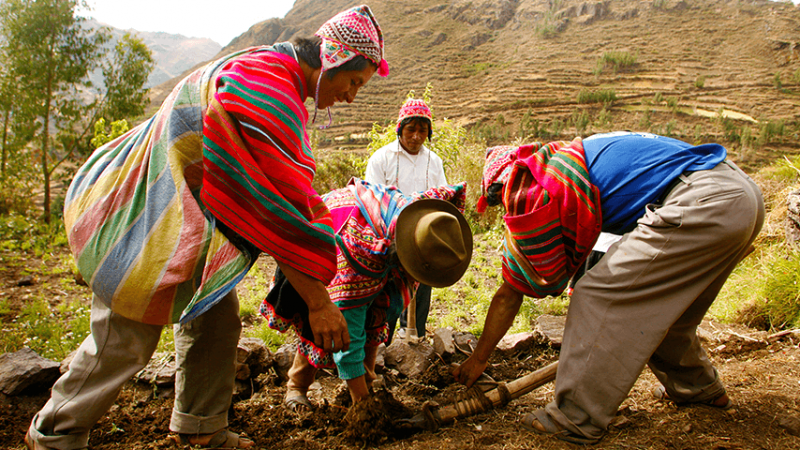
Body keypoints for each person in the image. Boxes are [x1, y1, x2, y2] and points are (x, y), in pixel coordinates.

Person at [25, 5, 388, 450]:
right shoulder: (268, 90)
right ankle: (54, 433)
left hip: (186, 227)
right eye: (354, 82)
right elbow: (280, 212)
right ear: (331, 59)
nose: (352, 95)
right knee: (125, 339)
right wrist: (318, 301)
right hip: (146, 226)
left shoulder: (271, 68)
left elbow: (286, 194)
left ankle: (202, 426)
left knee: (215, 322)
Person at [452, 131, 764, 445]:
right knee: (668, 314)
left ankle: (574, 418)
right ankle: (697, 388)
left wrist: (479, 358)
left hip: (702, 201)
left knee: (594, 296)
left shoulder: (537, 186)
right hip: (739, 195)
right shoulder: (575, 158)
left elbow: (512, 290)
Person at [262, 178, 471, 407]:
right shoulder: (359, 254)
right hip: (326, 249)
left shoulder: (417, 223)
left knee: (376, 313)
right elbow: (348, 327)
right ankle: (298, 386)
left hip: (372, 247)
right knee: (326, 326)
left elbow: (375, 312)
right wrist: (364, 408)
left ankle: (367, 383)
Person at [364, 97, 447, 340]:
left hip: (423, 238)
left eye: (423, 131)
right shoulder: (382, 158)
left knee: (421, 292)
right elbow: (372, 199)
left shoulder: (434, 162)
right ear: (400, 128)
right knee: (388, 294)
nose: (416, 136)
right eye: (411, 129)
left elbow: (441, 197)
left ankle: (416, 339)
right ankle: (384, 344)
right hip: (390, 237)